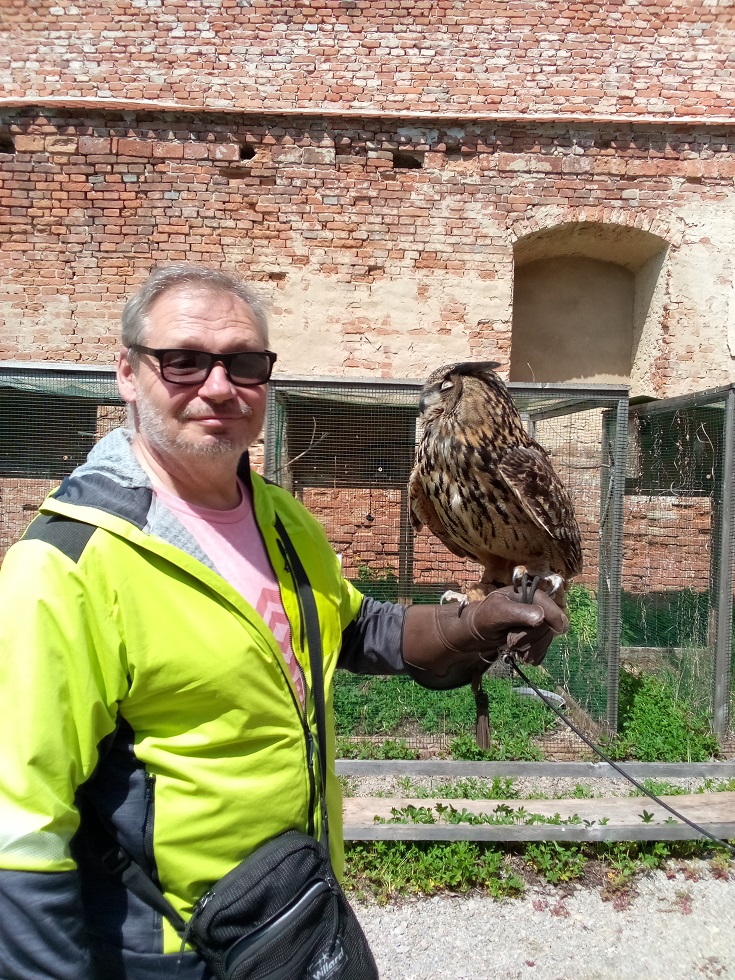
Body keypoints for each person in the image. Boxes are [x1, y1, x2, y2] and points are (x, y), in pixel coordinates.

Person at [0, 264, 568, 979]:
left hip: (293, 913)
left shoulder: (283, 520)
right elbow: (18, 823)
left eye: (244, 364)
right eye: (183, 361)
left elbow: (356, 630)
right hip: (166, 949)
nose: (218, 386)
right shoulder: (67, 563)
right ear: (127, 373)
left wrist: (477, 623)